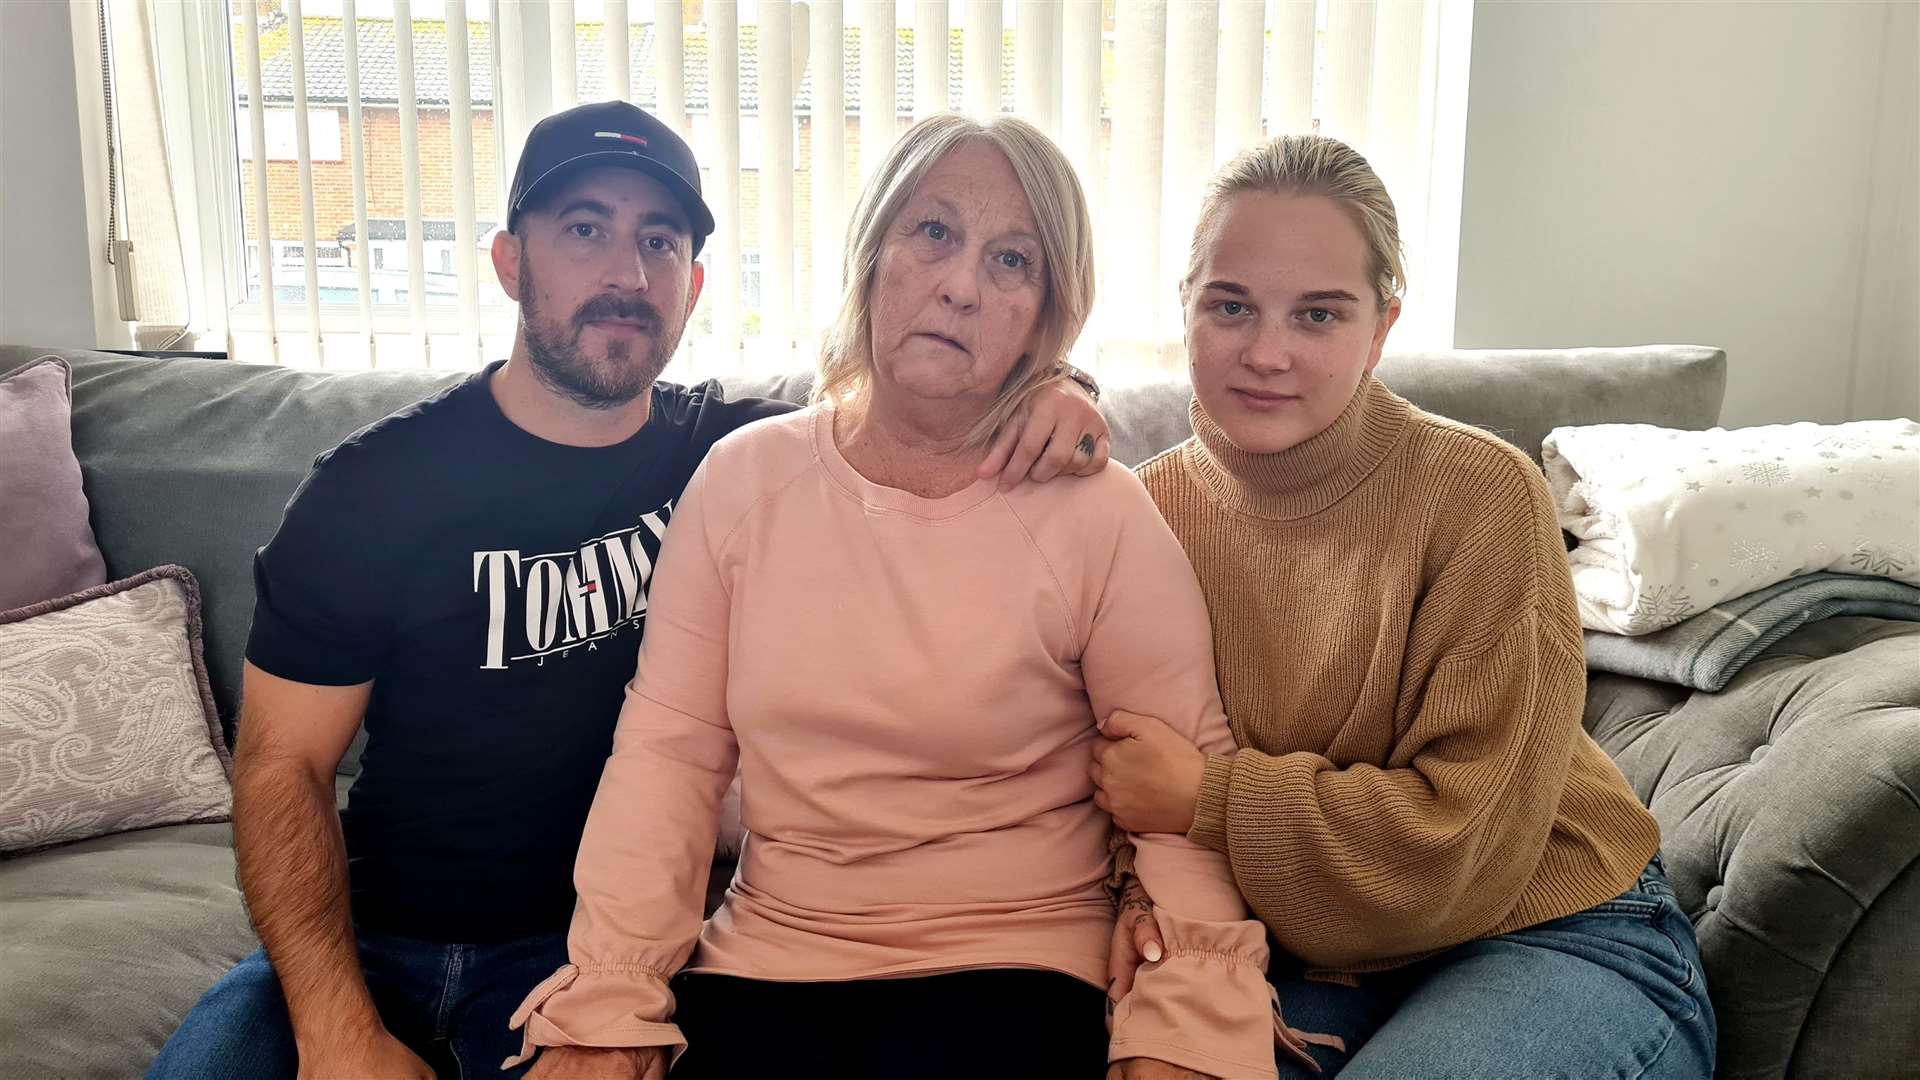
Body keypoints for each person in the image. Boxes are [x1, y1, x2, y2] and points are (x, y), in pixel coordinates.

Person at [147, 101, 1113, 1080]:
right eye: (584, 229)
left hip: (588, 953)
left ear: (693, 286)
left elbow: (921, 415)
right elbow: (281, 769)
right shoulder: (370, 489)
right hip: (366, 939)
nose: (626, 275)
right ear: (509, 262)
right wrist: (336, 1030)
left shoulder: (744, 463)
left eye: (659, 241)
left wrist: (1056, 385)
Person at [508, 114, 1278, 1080]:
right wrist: (610, 1004)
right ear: (873, 255)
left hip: (1024, 955)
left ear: (1045, 316)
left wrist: (1188, 1025)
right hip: (773, 955)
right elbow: (668, 759)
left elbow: (1178, 785)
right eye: (934, 233)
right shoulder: (743, 482)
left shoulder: (1098, 511)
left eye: (1012, 261)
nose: (959, 285)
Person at [1089, 134, 1717, 1077]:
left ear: (1381, 328)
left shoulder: (1482, 494)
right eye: (1231, 306)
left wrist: (1209, 800)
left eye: (1318, 315)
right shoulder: (1138, 513)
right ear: (1185, 308)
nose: (1266, 353)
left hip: (1552, 926)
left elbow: (1461, 844)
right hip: (1309, 957)